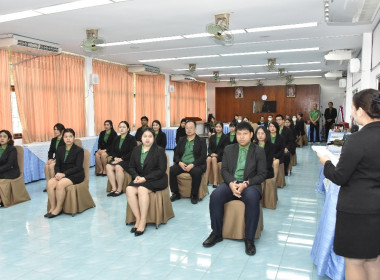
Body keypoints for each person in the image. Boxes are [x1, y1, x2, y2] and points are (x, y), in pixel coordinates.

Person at [317, 89, 380, 280]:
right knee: (374, 260)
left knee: (354, 261)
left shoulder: (356, 140)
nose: (353, 114)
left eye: (353, 109)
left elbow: (340, 177)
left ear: (361, 111)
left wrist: (326, 163)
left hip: (357, 210)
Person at [202, 122, 266, 256]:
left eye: (245, 134)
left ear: (251, 135)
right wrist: (231, 183)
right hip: (231, 183)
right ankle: (216, 233)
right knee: (215, 196)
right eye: (239, 134)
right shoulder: (229, 149)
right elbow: (224, 170)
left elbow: (262, 174)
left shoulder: (258, 151)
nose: (241, 137)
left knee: (253, 198)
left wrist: (246, 184)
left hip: (249, 185)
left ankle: (249, 238)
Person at [126, 128, 168, 236]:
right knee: (129, 189)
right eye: (145, 136)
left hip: (157, 179)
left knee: (141, 189)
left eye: (150, 136)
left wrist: (145, 178)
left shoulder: (159, 150)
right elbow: (131, 167)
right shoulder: (136, 149)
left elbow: (161, 170)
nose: (147, 139)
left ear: (154, 138)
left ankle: (143, 221)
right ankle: (138, 219)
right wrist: (136, 176)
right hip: (141, 178)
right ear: (141, 138)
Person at [45, 128, 84, 218]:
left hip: (76, 174)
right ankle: (53, 207)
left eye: (70, 136)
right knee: (50, 183)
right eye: (66, 137)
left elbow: (78, 167)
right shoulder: (60, 149)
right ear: (63, 138)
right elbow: (57, 165)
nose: (68, 139)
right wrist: (58, 173)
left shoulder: (79, 150)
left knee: (60, 184)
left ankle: (59, 208)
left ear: (74, 138)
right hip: (62, 174)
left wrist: (64, 174)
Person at [169, 120, 207, 204]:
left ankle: (194, 195)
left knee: (196, 172)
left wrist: (193, 164)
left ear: (195, 129)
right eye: (187, 128)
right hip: (182, 164)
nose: (188, 130)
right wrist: (179, 162)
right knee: (171, 170)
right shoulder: (181, 140)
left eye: (191, 128)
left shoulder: (201, 141)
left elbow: (203, 156)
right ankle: (176, 193)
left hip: (195, 165)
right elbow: (176, 154)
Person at [106, 121, 137, 197]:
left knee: (118, 166)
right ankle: (113, 188)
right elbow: (112, 150)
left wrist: (121, 159)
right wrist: (115, 157)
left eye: (124, 127)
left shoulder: (132, 138)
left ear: (128, 128)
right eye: (120, 127)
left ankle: (119, 189)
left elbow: (132, 152)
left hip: (128, 160)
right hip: (117, 159)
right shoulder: (116, 138)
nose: (121, 129)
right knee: (108, 166)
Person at [205, 121, 228, 188]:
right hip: (212, 155)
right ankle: (206, 180)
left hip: (220, 156)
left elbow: (225, 149)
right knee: (208, 158)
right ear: (215, 128)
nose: (218, 128)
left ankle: (215, 181)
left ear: (222, 128)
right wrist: (211, 153)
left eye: (219, 127)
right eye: (216, 127)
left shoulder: (225, 137)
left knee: (214, 159)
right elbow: (209, 148)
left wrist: (217, 154)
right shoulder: (212, 137)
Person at [44, 123, 65, 191]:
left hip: (62, 159)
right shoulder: (53, 140)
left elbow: (63, 152)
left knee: (51, 166)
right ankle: (48, 185)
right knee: (47, 165)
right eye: (54, 129)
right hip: (55, 159)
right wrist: (50, 159)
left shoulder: (65, 139)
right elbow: (50, 151)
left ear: (62, 130)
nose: (55, 131)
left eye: (57, 129)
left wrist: (55, 160)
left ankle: (54, 184)